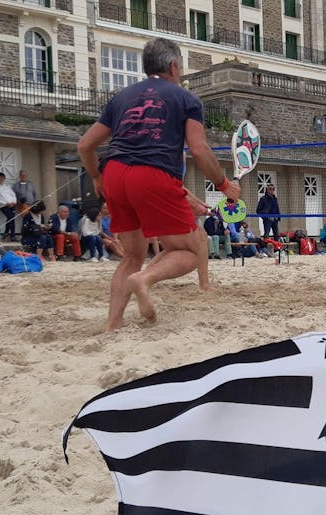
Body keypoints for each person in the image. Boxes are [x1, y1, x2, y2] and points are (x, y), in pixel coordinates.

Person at [77, 37, 240, 329]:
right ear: (174, 66)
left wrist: (97, 176)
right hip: (152, 173)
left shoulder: (122, 97)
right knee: (192, 249)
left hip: (114, 173)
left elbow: (85, 146)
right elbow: (199, 148)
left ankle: (112, 325)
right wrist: (224, 184)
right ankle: (144, 280)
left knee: (132, 256)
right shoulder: (186, 99)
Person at [0, 172, 18, 240]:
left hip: (12, 204)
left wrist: (14, 202)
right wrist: (5, 203)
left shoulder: (7, 186)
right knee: (10, 217)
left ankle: (11, 235)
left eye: (3, 177)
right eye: (0, 177)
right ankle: (8, 234)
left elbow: (13, 194)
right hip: (4, 205)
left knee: (12, 219)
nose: (2, 179)